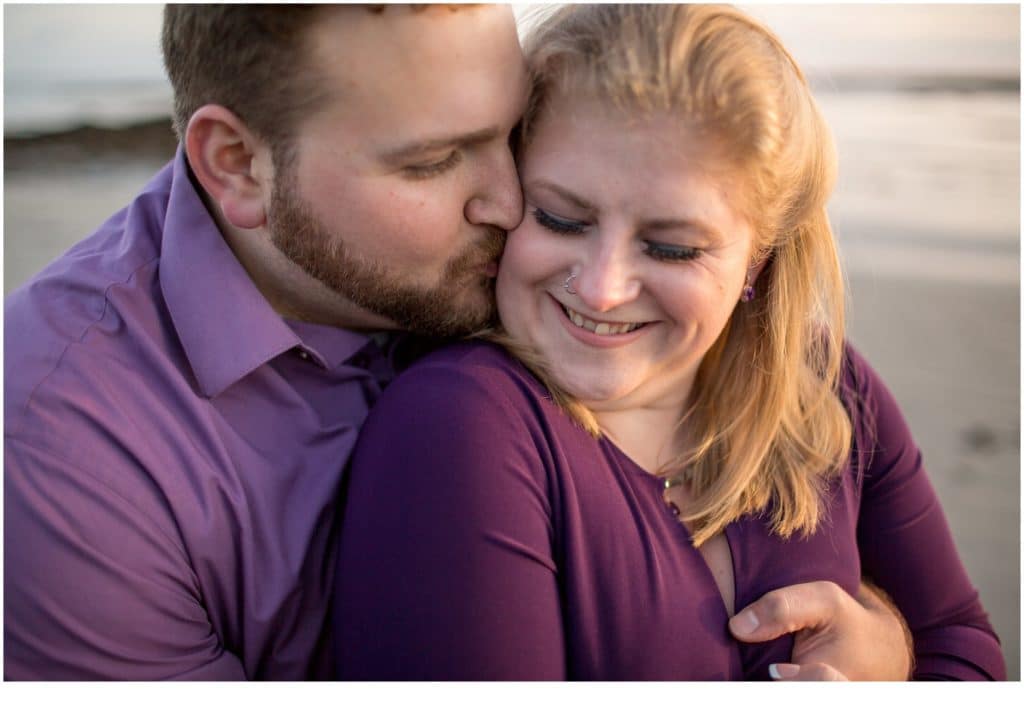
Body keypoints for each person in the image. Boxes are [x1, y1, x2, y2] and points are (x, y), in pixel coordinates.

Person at [3, 3, 914, 682]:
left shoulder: (527, 288)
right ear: (238, 165)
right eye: (434, 161)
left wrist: (897, 645)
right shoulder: (69, 454)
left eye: (512, 132)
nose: (513, 204)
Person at [332, 4, 1005, 681]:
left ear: (758, 260)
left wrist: (898, 659)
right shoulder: (459, 422)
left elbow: (964, 644)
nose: (600, 288)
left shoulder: (827, 384)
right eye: (561, 218)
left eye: (672, 247)